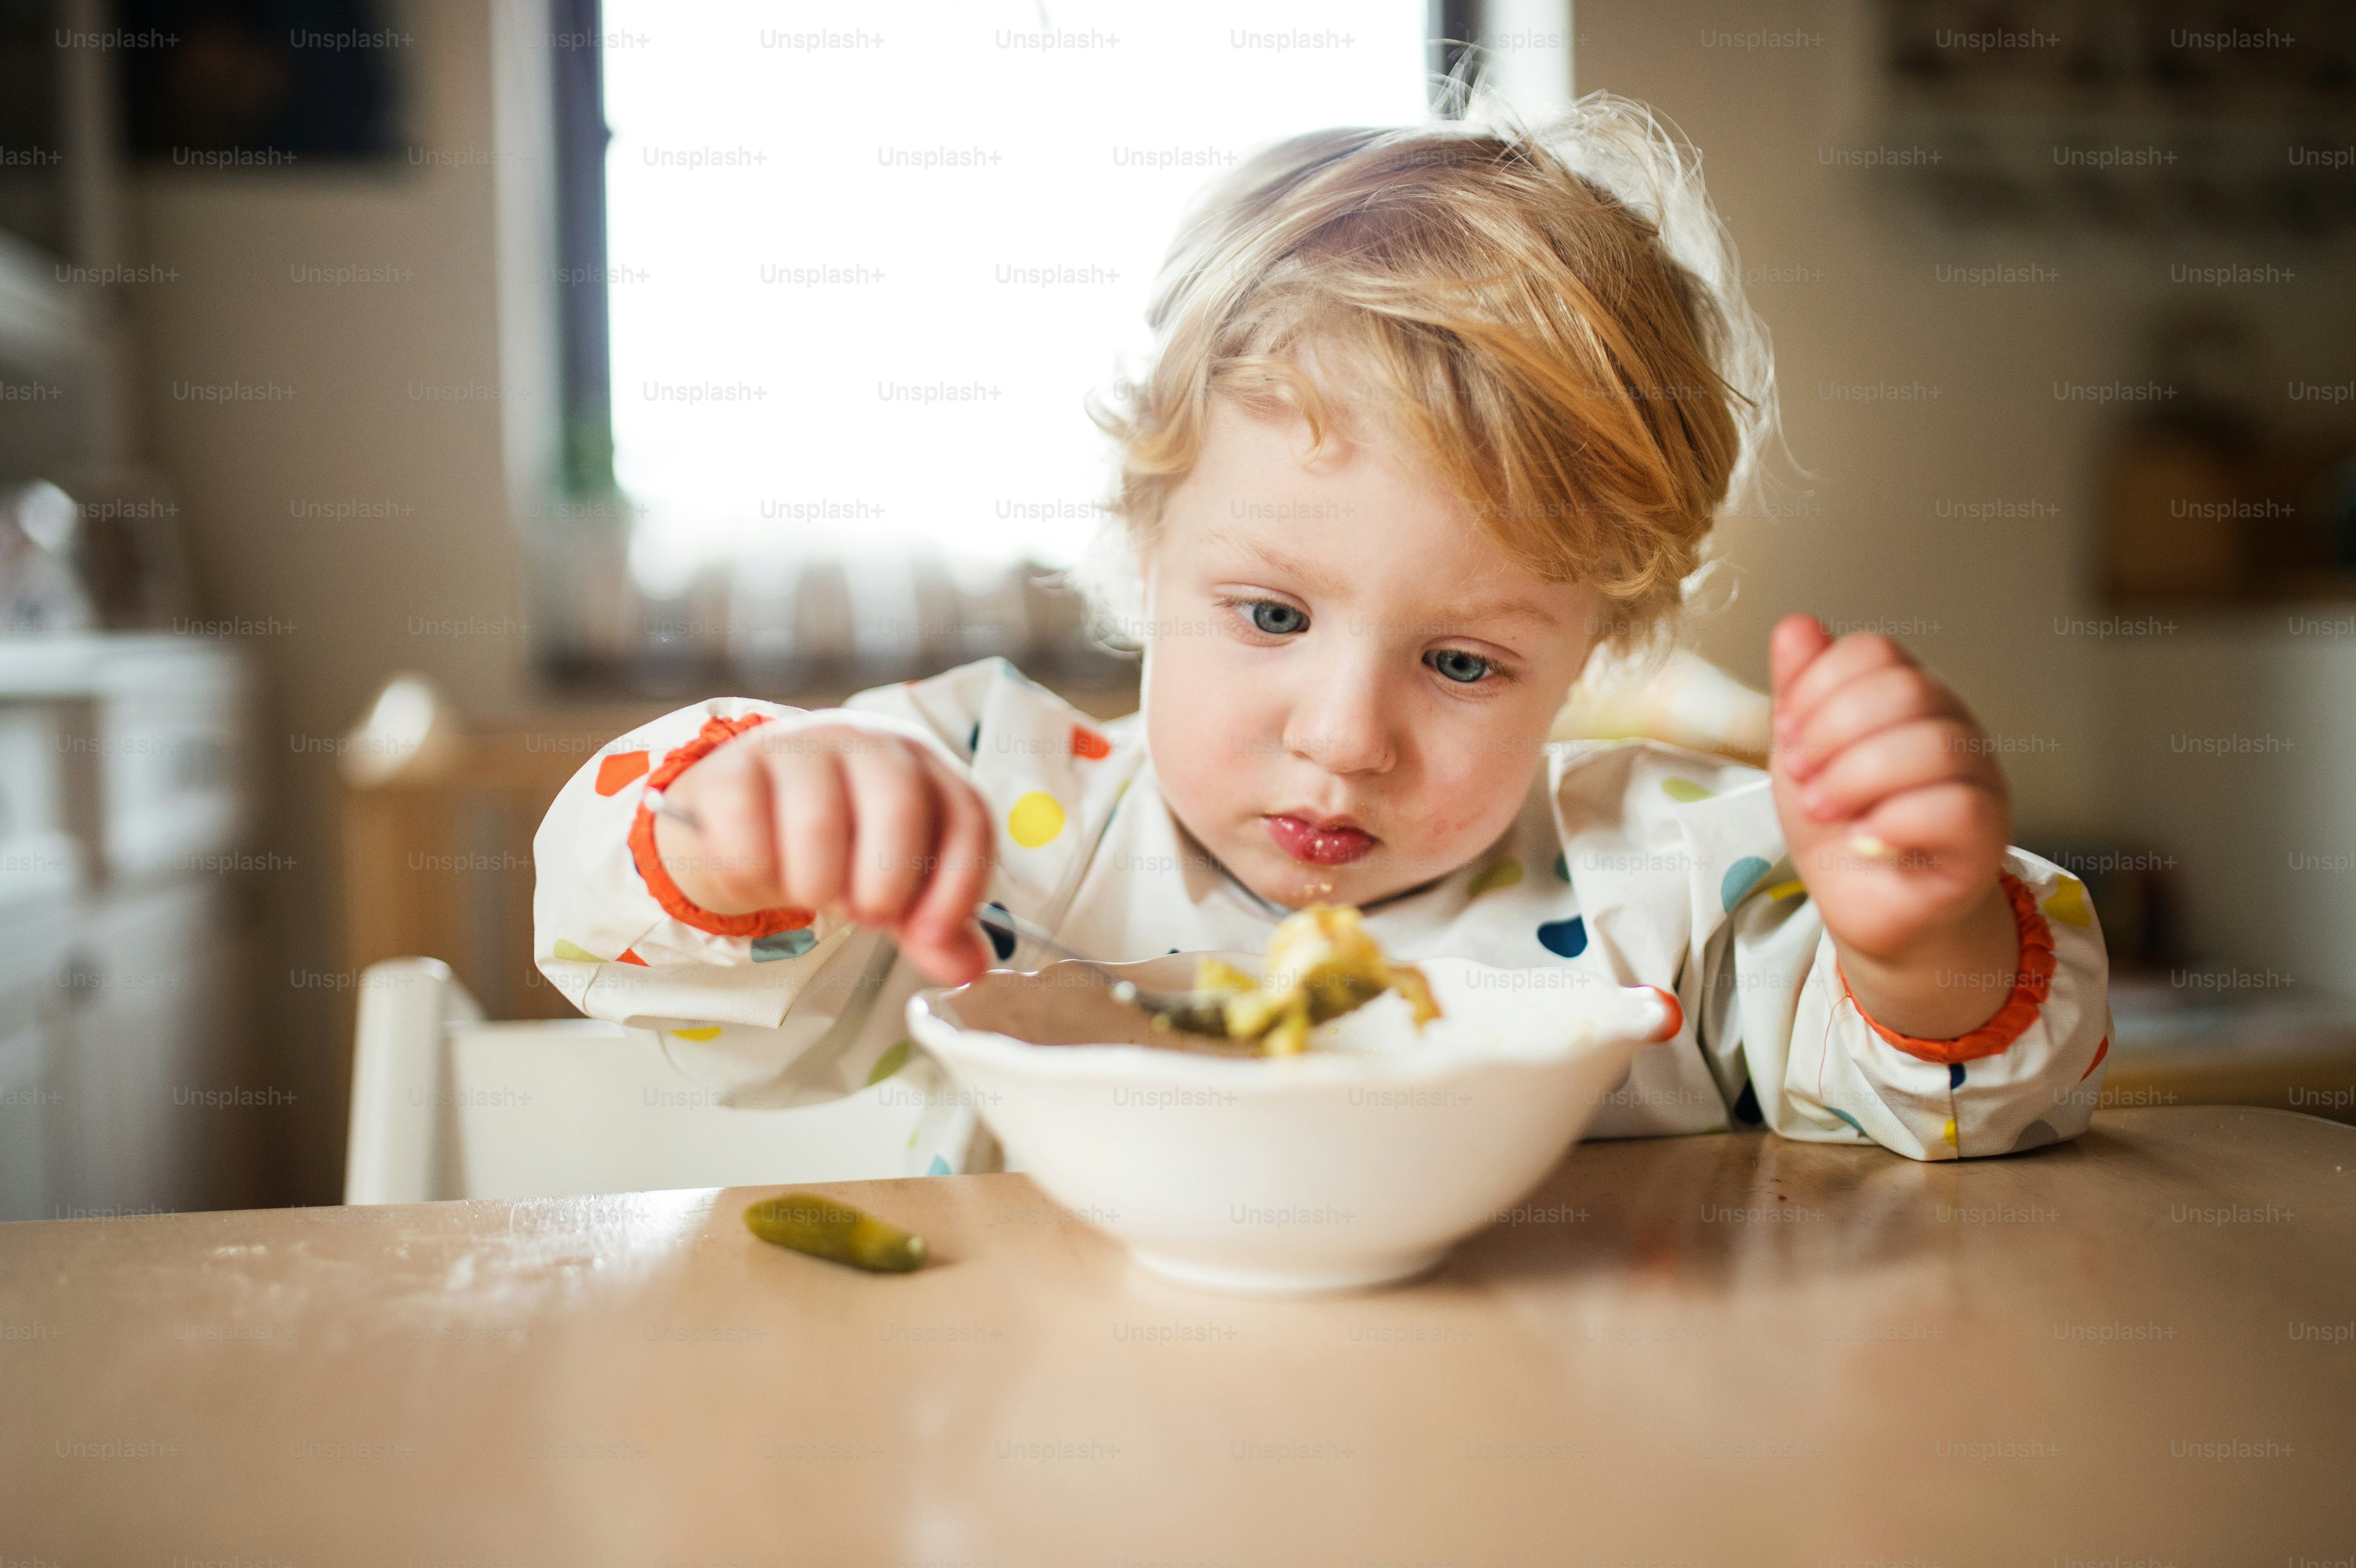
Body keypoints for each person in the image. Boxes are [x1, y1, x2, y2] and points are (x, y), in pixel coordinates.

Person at [533, 96, 2109, 1174]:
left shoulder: (1681, 898)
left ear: (1593, 649)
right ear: (1146, 547)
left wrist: (1918, 946)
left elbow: (1967, 1113)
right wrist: (734, 841)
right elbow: (659, 965)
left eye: (1465, 661)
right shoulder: (992, 827)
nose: (1345, 733)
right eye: (1272, 613)